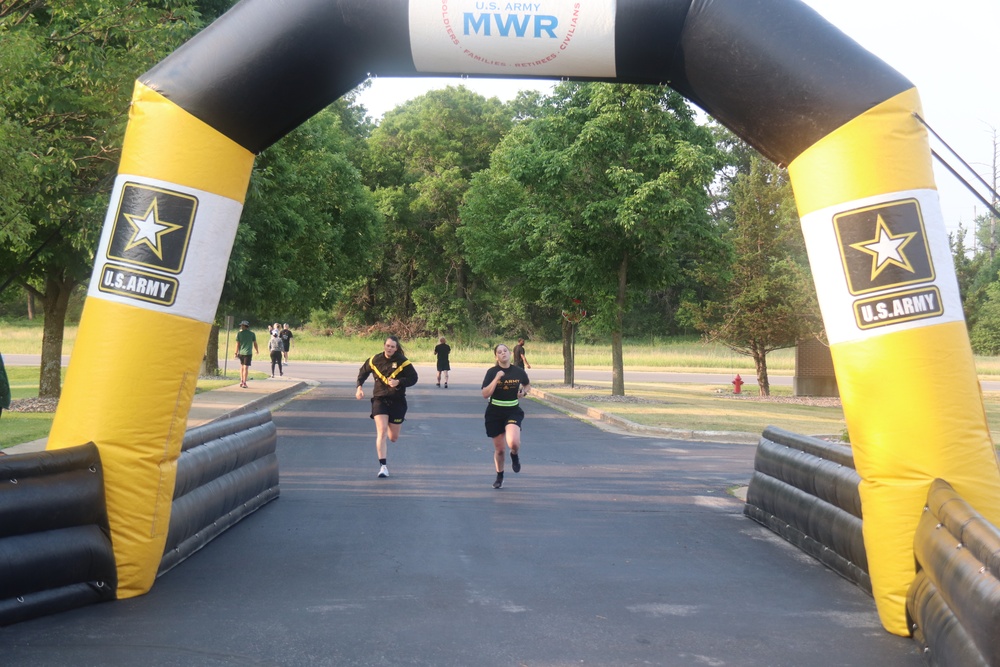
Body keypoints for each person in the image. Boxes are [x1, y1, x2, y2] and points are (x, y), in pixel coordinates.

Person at [355, 335, 419, 478]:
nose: (389, 348)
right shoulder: (374, 360)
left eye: (392, 346)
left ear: (396, 348)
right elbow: (362, 372)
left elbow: (413, 378)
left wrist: (399, 382)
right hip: (380, 400)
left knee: (393, 437)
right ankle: (383, 466)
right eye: (387, 345)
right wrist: (359, 387)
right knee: (382, 431)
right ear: (384, 345)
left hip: (397, 401)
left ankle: (390, 438)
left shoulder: (403, 362)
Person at [481, 343, 530, 489]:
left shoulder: (518, 371)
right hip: (494, 412)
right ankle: (500, 475)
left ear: (509, 353)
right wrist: (496, 379)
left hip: (512, 410)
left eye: (505, 351)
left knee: (513, 442)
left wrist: (524, 392)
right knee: (500, 449)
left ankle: (514, 455)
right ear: (496, 356)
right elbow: (485, 394)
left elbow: (527, 385)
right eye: (500, 352)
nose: (503, 353)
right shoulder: (492, 372)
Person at [235, 320, 259, 389]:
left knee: (244, 367)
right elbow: (237, 344)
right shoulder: (241, 334)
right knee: (243, 367)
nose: (241, 326)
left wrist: (257, 350)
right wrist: (236, 352)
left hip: (246, 353)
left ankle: (243, 381)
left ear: (245, 326)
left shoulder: (250, 334)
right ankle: (242, 381)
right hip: (243, 353)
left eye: (242, 325)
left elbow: (254, 343)